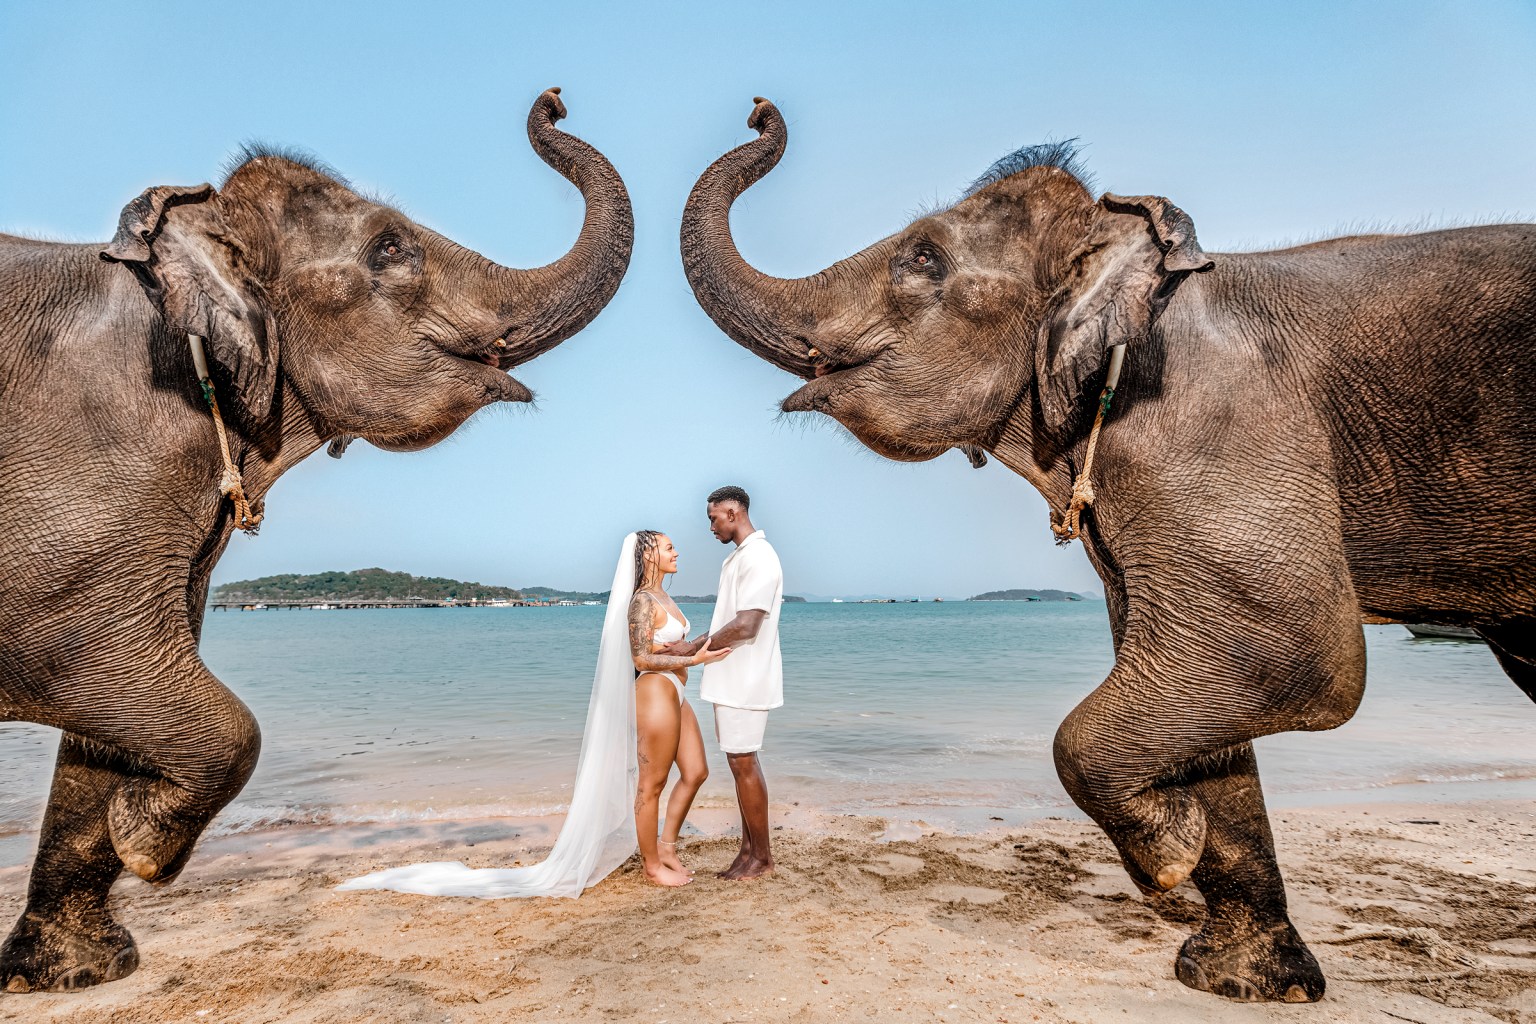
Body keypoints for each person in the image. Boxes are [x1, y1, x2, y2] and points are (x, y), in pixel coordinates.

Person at [335, 531, 727, 898]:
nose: (676, 552)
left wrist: (701, 647)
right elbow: (640, 657)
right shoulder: (641, 601)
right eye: (668, 547)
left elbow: (667, 647)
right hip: (655, 693)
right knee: (651, 785)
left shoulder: (665, 598)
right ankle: (653, 866)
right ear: (647, 554)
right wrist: (696, 657)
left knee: (696, 771)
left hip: (676, 689)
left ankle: (667, 845)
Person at [689, 485, 784, 880]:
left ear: (733, 512)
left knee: (744, 762)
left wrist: (695, 649)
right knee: (739, 761)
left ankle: (761, 858)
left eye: (713, 518)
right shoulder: (739, 558)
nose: (710, 526)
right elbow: (728, 620)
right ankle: (748, 851)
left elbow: (747, 624)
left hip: (746, 679)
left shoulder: (760, 556)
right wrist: (693, 646)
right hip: (730, 677)